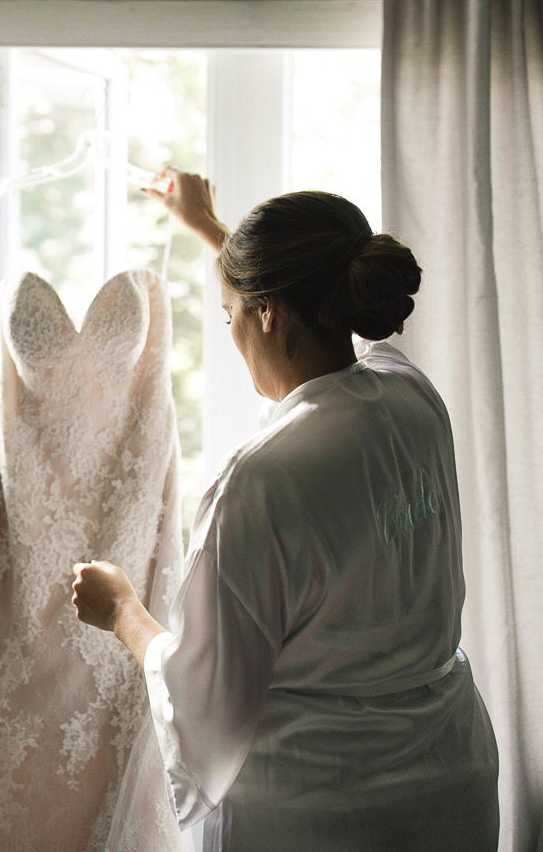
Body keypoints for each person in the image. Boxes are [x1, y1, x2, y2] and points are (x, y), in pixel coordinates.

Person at [72, 170, 499, 851]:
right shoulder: (415, 399)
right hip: (449, 786)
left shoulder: (259, 483)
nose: (233, 334)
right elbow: (314, 311)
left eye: (230, 314)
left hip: (318, 815)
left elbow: (205, 701)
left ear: (266, 309)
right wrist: (216, 233)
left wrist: (120, 609)